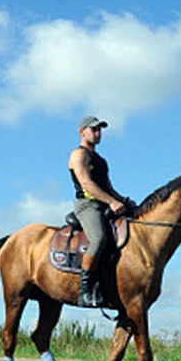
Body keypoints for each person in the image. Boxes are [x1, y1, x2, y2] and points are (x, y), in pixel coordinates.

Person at [68, 115, 134, 307]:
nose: (98, 133)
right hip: (88, 206)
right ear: (82, 132)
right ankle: (85, 290)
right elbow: (87, 184)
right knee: (99, 239)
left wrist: (124, 201)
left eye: (100, 130)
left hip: (104, 203)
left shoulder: (100, 160)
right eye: (93, 129)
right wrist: (111, 202)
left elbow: (108, 187)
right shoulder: (78, 154)